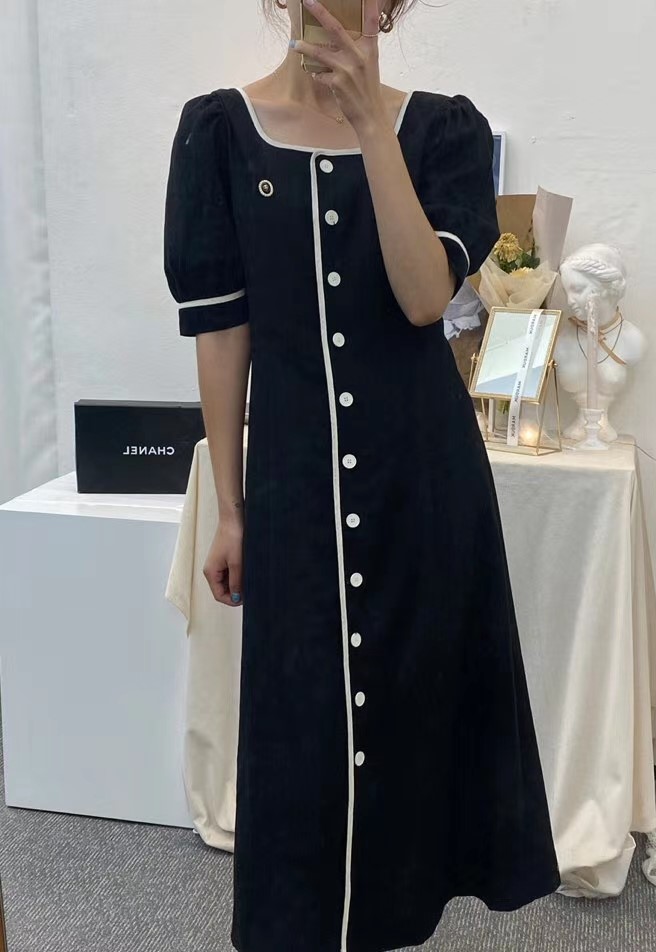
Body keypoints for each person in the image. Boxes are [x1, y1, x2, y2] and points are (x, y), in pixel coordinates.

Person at [163, 1, 561, 950]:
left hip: (423, 487)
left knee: (416, 734)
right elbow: (221, 332)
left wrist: (372, 127)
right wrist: (231, 508)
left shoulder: (444, 133)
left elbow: (425, 297)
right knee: (300, 737)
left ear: (388, 5)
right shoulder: (219, 132)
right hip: (294, 487)